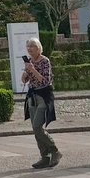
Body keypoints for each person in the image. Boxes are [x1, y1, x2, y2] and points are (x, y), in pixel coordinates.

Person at [21, 37, 62, 170]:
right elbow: (25, 81)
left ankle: (54, 150)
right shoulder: (30, 62)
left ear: (38, 48)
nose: (29, 48)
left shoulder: (45, 61)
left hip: (43, 96)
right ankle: (44, 157)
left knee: (38, 126)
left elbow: (45, 81)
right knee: (35, 128)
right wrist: (25, 72)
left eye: (32, 46)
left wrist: (32, 70)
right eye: (28, 46)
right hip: (32, 97)